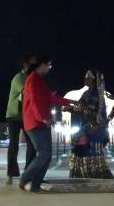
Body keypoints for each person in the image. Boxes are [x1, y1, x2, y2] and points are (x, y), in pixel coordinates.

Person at [20, 53, 76, 193]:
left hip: (43, 123)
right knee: (43, 153)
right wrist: (42, 118)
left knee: (47, 155)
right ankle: (25, 178)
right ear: (42, 65)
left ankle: (35, 186)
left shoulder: (39, 80)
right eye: (49, 65)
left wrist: (72, 102)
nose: (50, 68)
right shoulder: (32, 79)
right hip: (35, 122)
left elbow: (51, 98)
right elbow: (33, 101)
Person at [68, 70, 114, 179]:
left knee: (91, 150)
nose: (86, 80)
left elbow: (91, 111)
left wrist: (77, 108)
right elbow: (80, 109)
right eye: (85, 78)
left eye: (88, 78)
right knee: (80, 149)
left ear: (94, 81)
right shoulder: (85, 94)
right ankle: (81, 173)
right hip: (85, 127)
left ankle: (95, 173)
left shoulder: (98, 95)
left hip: (95, 128)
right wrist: (71, 109)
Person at [5, 53, 37, 185]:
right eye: (32, 63)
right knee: (14, 145)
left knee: (32, 145)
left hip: (26, 116)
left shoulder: (32, 77)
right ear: (25, 65)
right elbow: (26, 92)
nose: (34, 66)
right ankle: (10, 174)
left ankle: (28, 173)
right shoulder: (18, 78)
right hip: (14, 116)